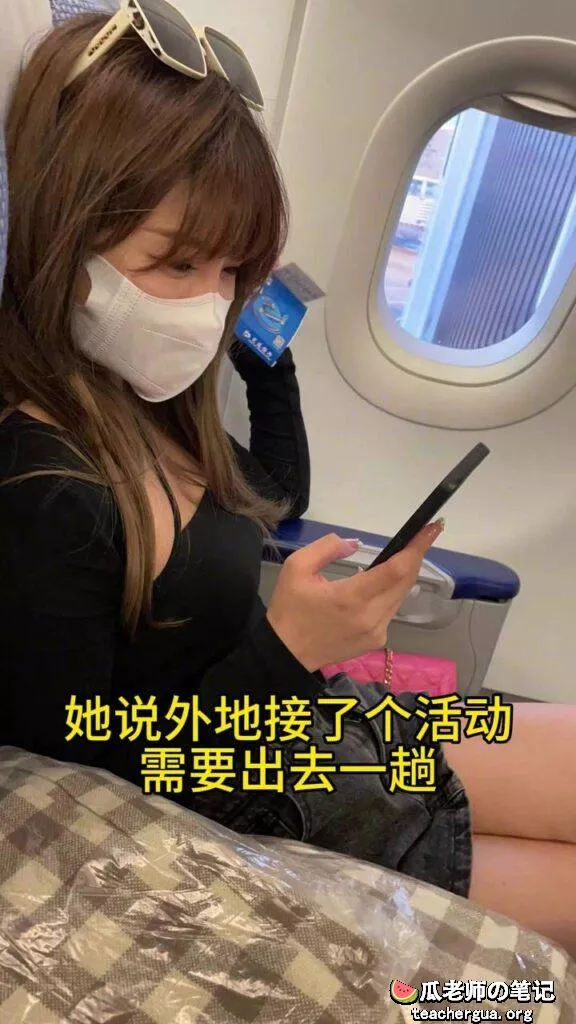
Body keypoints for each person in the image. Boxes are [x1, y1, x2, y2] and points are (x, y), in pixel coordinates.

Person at [0, 8, 574, 958]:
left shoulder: (143, 402)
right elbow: (88, 792)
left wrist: (267, 361)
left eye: (232, 268)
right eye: (177, 263)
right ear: (59, 243)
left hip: (297, 723)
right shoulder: (41, 490)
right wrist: (284, 648)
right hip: (248, 788)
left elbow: (276, 493)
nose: (209, 302)